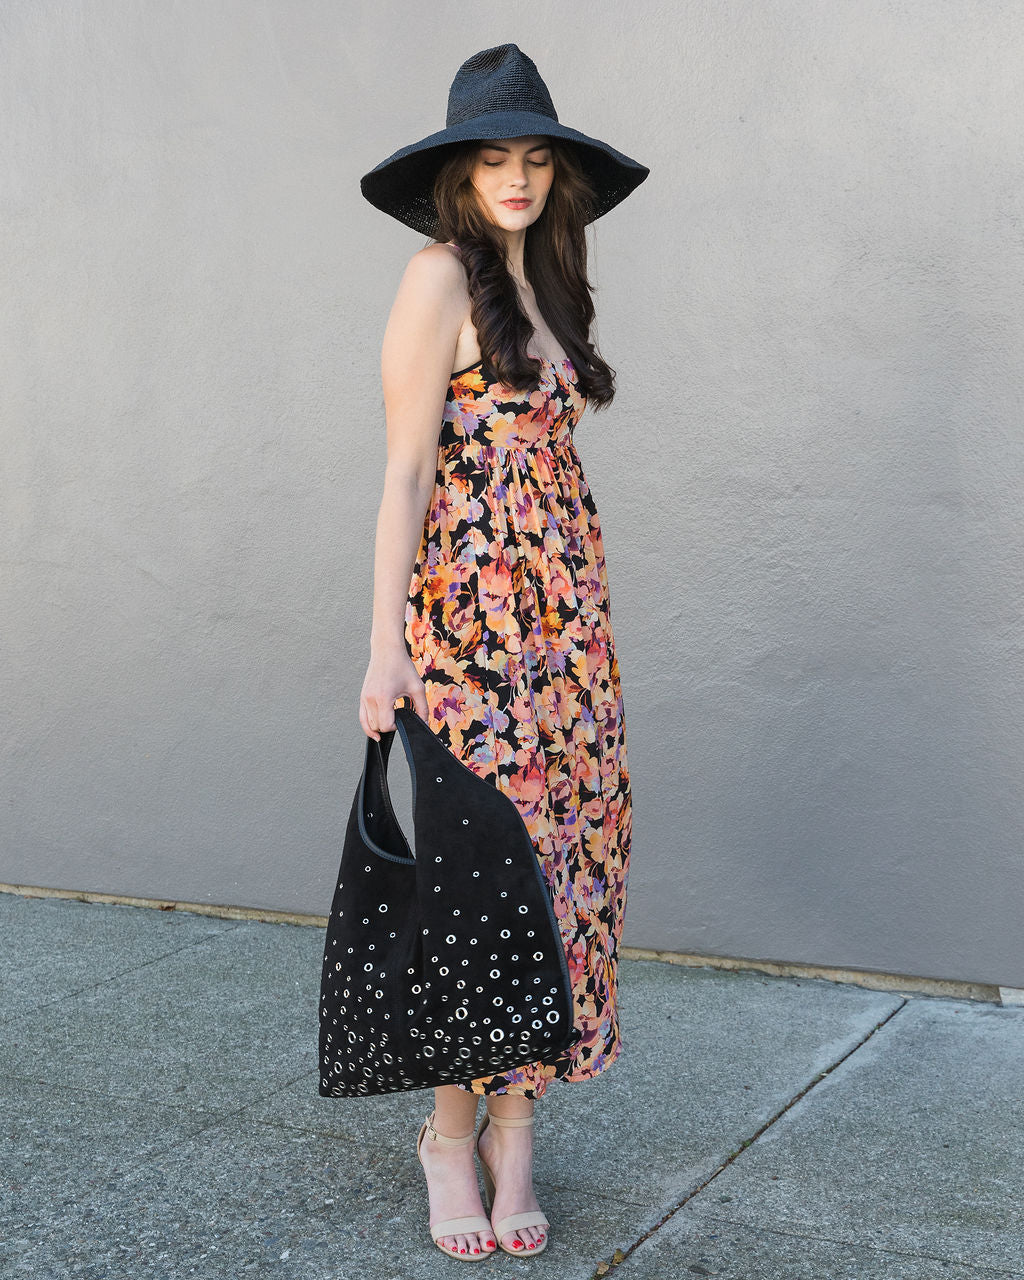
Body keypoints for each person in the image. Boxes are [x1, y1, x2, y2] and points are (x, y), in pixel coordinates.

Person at [356, 44, 648, 1262]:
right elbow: (408, 469)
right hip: (468, 626)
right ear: (456, 172)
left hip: (568, 622)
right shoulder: (434, 278)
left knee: (572, 858)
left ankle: (517, 1131)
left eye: (535, 157)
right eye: (493, 157)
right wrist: (385, 647)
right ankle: (445, 1133)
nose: (517, 177)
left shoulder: (554, 281)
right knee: (484, 874)